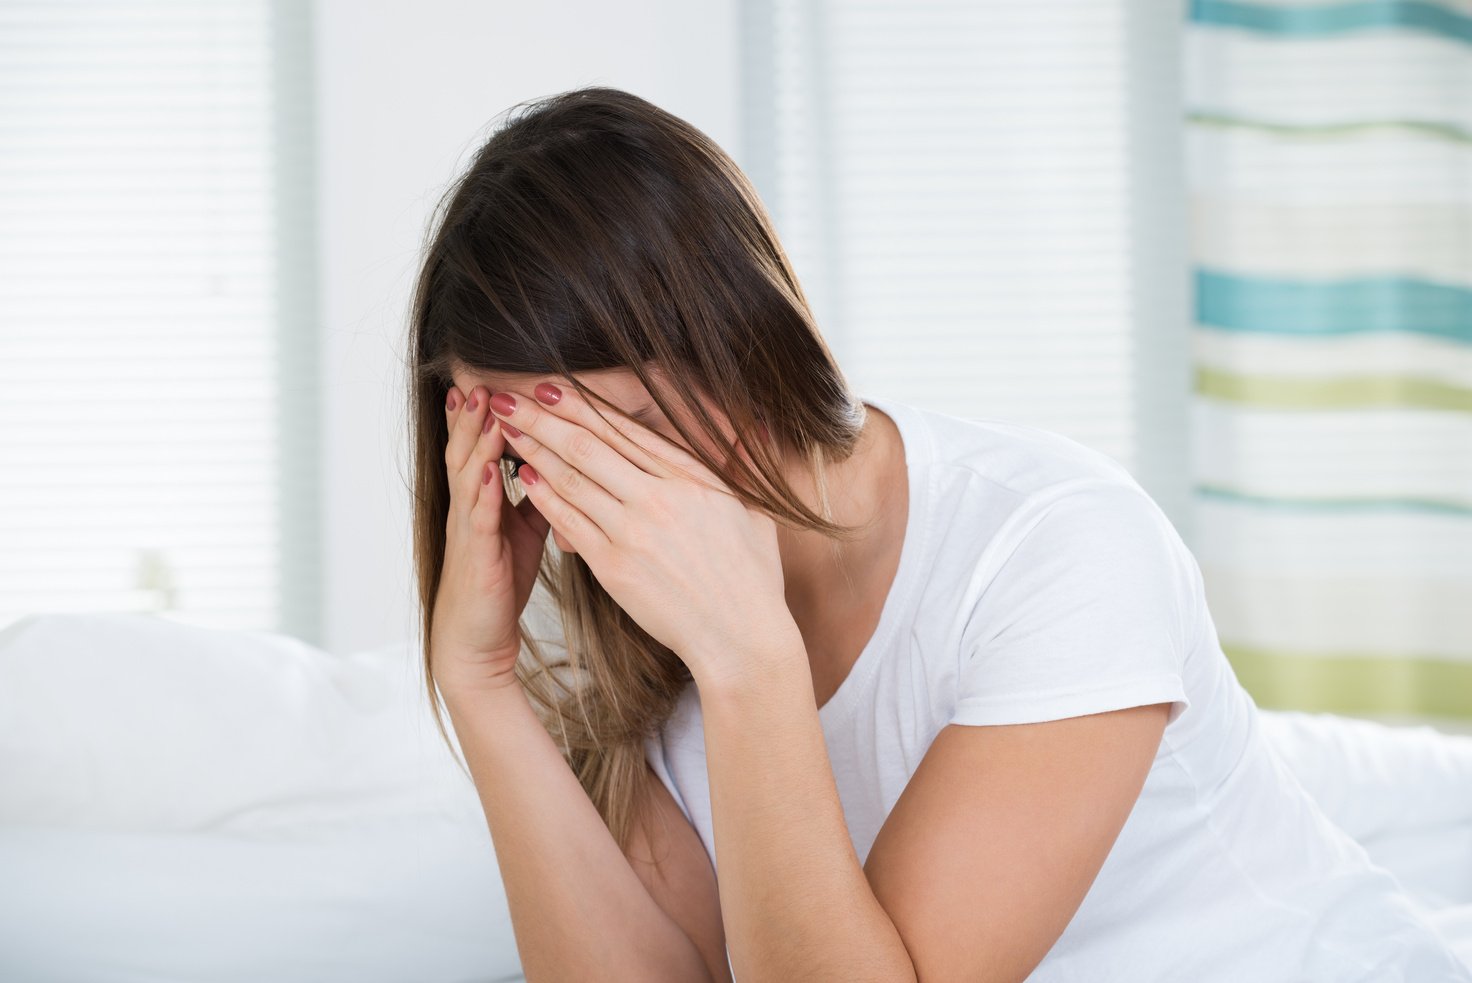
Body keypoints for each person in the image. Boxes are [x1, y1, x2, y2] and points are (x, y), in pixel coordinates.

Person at [405, 85, 1472, 982]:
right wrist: (481, 682)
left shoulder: (1057, 546)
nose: (583, 515)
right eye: (528, 457)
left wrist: (748, 659)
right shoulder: (638, 636)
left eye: (621, 435)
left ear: (735, 340)